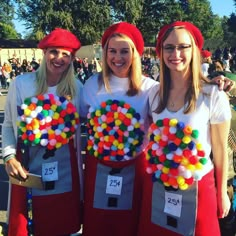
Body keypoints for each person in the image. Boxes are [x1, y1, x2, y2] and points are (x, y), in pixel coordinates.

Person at [138, 21, 232, 236]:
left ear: (195, 51)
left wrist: (222, 193)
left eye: (183, 47)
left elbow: (219, 150)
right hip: (160, 186)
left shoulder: (212, 95)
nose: (175, 53)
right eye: (169, 47)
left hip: (199, 188)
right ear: (161, 52)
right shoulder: (153, 94)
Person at [2, 28, 83, 235]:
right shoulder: (22, 84)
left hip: (66, 172)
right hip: (28, 169)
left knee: (62, 225)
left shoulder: (77, 88)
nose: (59, 58)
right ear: (44, 53)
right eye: (54, 51)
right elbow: (10, 124)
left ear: (72, 59)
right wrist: (9, 156)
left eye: (66, 54)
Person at [80, 22, 158, 236]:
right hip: (98, 168)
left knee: (130, 225)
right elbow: (76, 120)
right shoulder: (91, 85)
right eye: (112, 51)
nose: (117, 57)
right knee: (99, 225)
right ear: (105, 54)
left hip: (136, 168)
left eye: (124, 51)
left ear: (135, 54)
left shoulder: (150, 88)